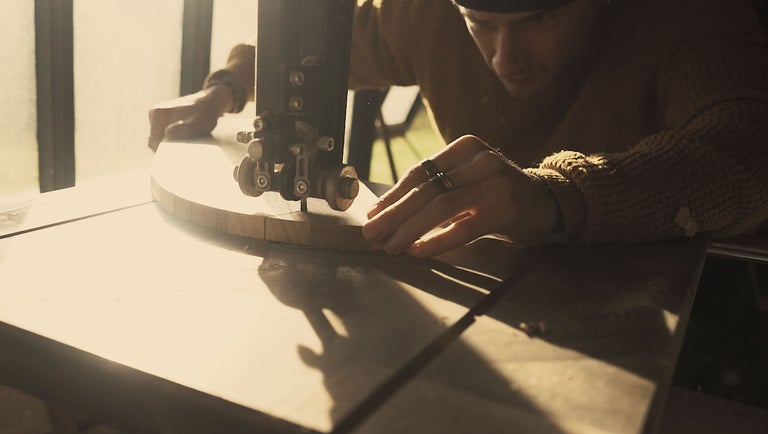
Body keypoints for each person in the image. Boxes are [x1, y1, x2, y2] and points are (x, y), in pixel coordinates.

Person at [148, 0, 768, 257]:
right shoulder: (425, 14)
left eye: (538, 20)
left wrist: (559, 193)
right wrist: (226, 87)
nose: (503, 56)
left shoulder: (690, 16)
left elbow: (746, 147)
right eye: (480, 22)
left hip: (660, 310)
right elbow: (316, 54)